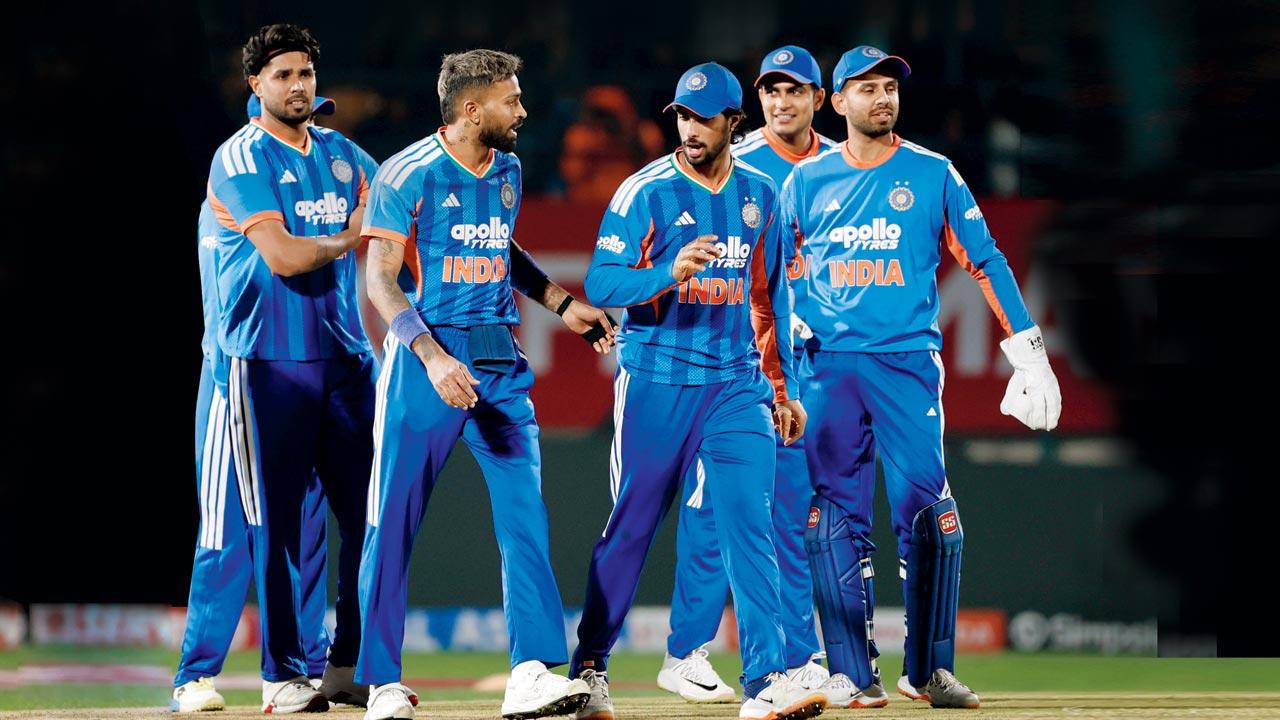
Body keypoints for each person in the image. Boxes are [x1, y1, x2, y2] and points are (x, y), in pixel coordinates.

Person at [782, 45, 1062, 710]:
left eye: (889, 88)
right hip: (827, 369)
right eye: (867, 89)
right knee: (832, 521)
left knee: (930, 517)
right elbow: (775, 267)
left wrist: (1026, 344)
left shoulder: (934, 174)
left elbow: (987, 258)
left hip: (906, 363)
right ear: (839, 102)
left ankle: (927, 671)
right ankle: (853, 672)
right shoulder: (804, 181)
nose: (882, 99)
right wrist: (789, 321)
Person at [357, 49, 615, 720]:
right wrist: (433, 357)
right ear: (473, 109)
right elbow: (379, 279)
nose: (524, 111)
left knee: (525, 518)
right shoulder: (405, 173)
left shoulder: (508, 168)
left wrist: (562, 305)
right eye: (512, 100)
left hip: (499, 366)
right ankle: (381, 680)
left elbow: (503, 249)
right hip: (425, 362)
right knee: (392, 522)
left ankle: (530, 671)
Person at [570, 62, 824, 720]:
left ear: (733, 123)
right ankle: (589, 666)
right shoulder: (644, 192)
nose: (687, 129)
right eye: (680, 115)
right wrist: (664, 271)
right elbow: (601, 285)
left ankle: (766, 681)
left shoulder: (762, 193)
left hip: (736, 385)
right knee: (631, 528)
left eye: (702, 118)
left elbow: (769, 300)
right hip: (657, 382)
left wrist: (782, 386)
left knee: (752, 521)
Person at [658, 45, 849, 707]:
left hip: (812, 360)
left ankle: (800, 655)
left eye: (794, 91)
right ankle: (692, 649)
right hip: (734, 367)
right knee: (722, 508)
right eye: (772, 91)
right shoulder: (734, 169)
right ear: (753, 107)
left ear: (819, 99)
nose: (781, 102)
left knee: (792, 511)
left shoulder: (842, 165)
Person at [206, 23, 379, 713]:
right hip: (268, 362)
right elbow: (282, 255)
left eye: (306, 72)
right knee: (274, 526)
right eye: (282, 75)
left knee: (369, 518)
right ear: (256, 86)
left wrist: (371, 220)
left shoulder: (341, 152)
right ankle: (283, 676)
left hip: (346, 357)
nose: (298, 85)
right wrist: (351, 234)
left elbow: (394, 199)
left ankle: (345, 665)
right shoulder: (240, 159)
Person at [170, 94, 340, 713]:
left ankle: (307, 665)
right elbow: (286, 256)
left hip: (305, 371)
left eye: (318, 111)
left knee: (306, 526)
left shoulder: (321, 167)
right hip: (235, 374)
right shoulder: (243, 174)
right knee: (225, 527)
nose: (313, 127)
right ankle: (195, 676)